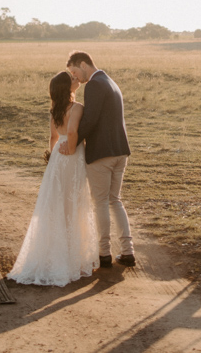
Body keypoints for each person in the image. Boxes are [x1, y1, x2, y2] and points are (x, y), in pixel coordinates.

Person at [7, 71, 98, 286]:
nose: (77, 81)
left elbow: (53, 137)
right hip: (71, 155)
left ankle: (55, 251)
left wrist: (54, 159)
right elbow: (73, 130)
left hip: (57, 156)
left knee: (56, 201)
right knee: (73, 201)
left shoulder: (55, 110)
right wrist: (73, 148)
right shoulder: (77, 108)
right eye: (73, 80)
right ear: (67, 88)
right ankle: (71, 254)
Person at [59, 51, 135, 268]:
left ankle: (104, 254)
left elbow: (90, 121)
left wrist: (71, 143)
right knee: (115, 200)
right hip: (120, 151)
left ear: (83, 64)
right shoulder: (110, 81)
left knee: (101, 202)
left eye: (75, 71)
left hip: (102, 153)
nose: (77, 78)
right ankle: (128, 251)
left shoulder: (94, 85)